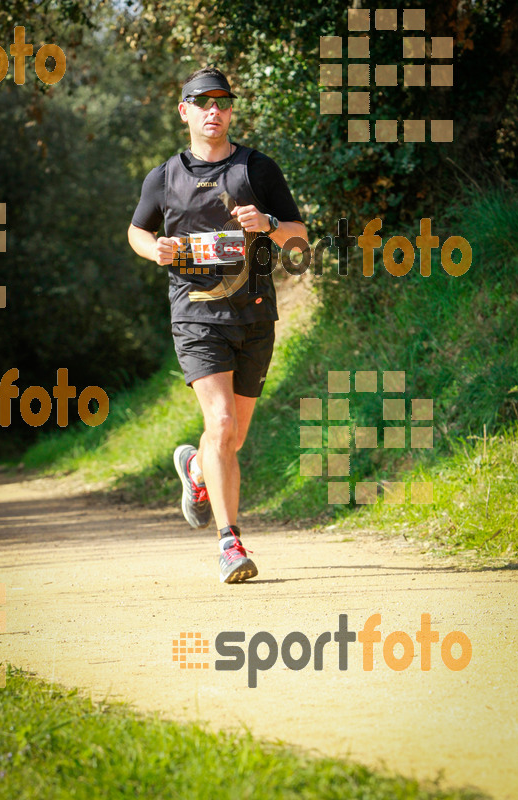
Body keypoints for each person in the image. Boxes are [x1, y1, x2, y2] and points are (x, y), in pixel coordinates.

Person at [128, 67, 307, 584]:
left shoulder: (257, 170)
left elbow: (300, 241)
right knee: (222, 425)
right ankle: (230, 544)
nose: (214, 110)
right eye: (202, 101)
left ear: (231, 110)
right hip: (196, 315)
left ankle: (194, 470)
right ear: (184, 110)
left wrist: (270, 226)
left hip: (254, 315)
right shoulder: (164, 177)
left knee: (233, 438)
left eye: (223, 101)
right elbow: (137, 231)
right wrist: (155, 250)